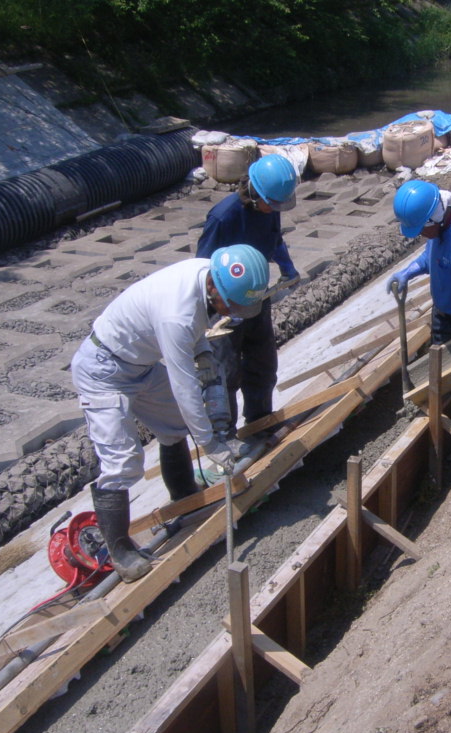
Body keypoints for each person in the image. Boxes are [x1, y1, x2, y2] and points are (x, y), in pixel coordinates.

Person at [70, 246, 270, 581]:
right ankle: (120, 551)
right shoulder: (176, 314)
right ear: (213, 288)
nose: (233, 312)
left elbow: (196, 328)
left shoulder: (209, 272)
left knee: (175, 425)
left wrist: (202, 350)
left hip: (141, 363)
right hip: (103, 370)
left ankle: (184, 494)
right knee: (122, 462)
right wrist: (210, 444)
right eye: (231, 305)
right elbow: (185, 386)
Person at [194, 154, 301, 440]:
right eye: (271, 204)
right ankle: (225, 435)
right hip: (225, 305)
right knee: (225, 372)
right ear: (255, 193)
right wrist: (218, 309)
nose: (274, 210)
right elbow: (201, 267)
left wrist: (287, 267)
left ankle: (259, 423)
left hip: (256, 295)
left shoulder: (270, 204)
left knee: (263, 364)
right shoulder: (223, 217)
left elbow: (274, 239)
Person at [387, 180, 451, 372]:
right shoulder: (440, 227)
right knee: (438, 371)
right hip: (442, 316)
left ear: (433, 219)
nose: (421, 234)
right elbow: (431, 256)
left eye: (421, 229)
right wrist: (409, 271)